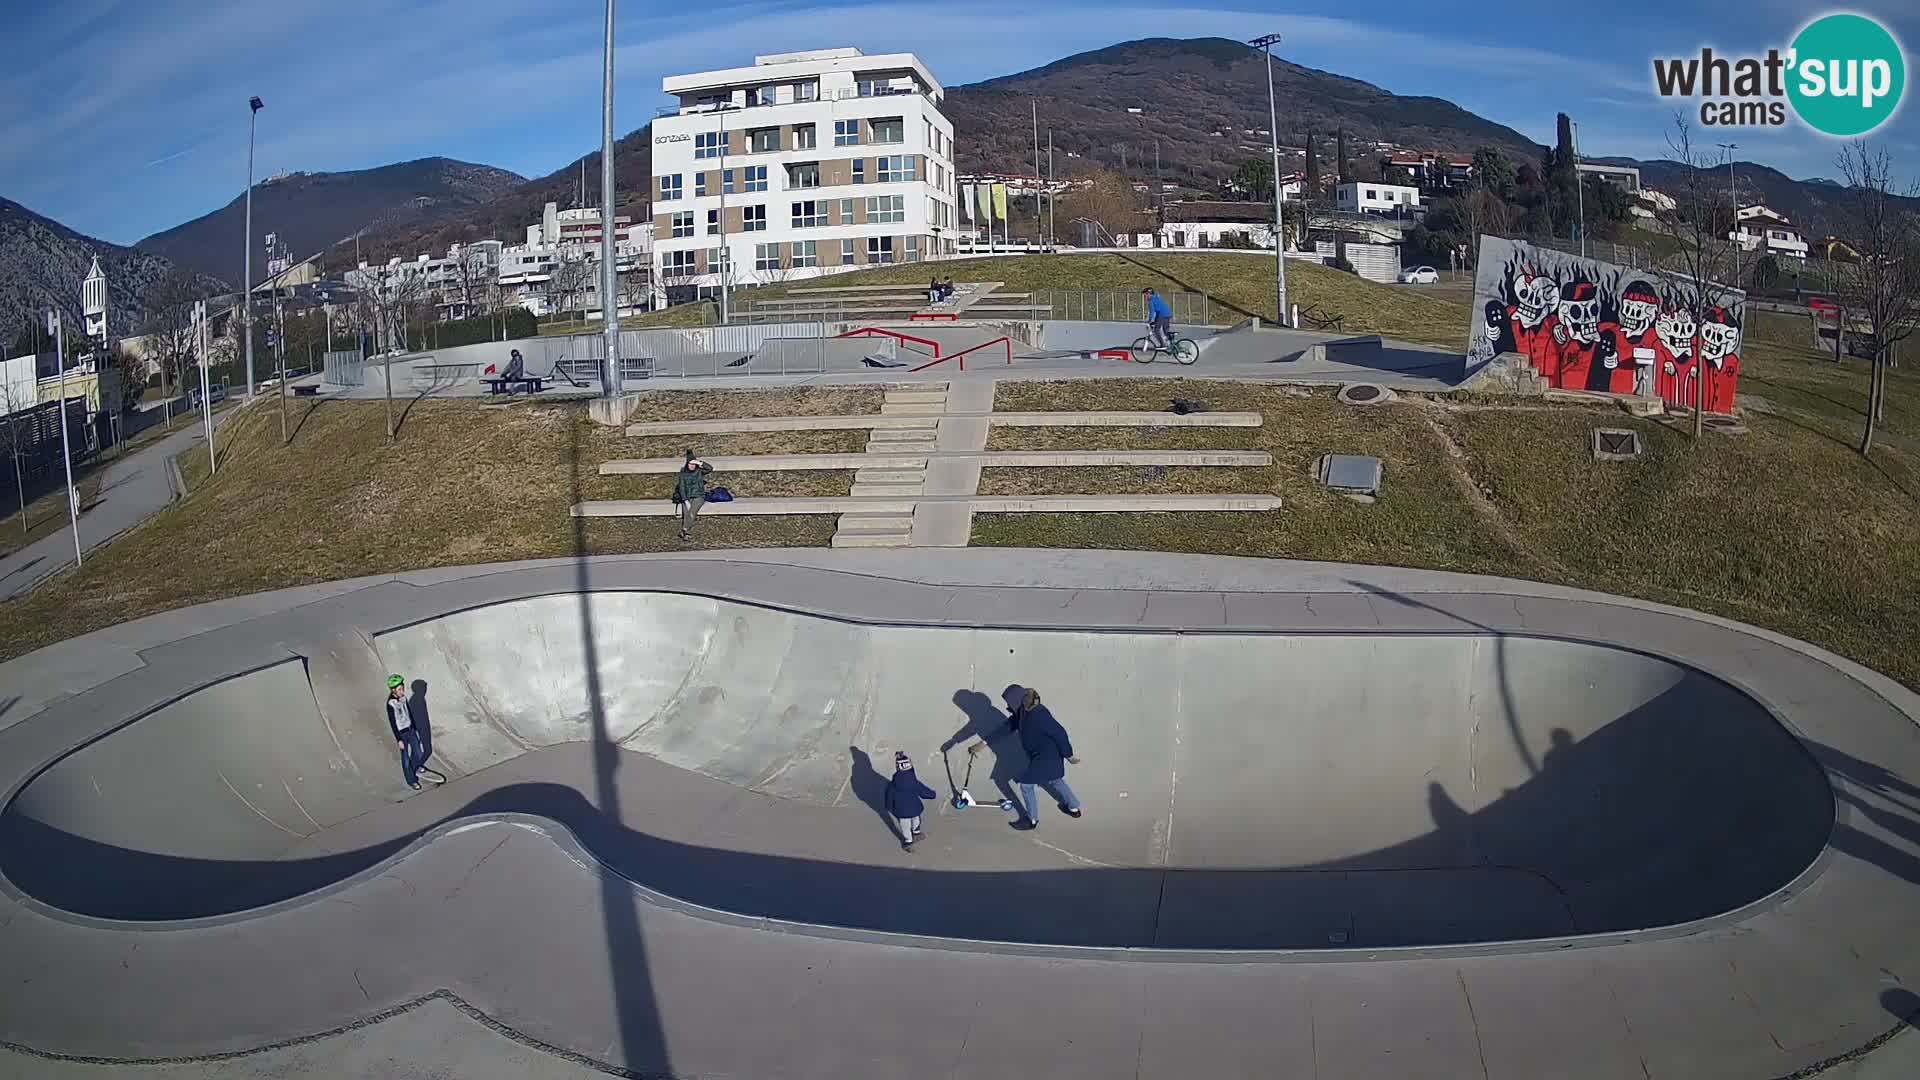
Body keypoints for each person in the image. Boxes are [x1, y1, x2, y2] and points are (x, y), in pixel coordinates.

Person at [971, 687, 1081, 831]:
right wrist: (983, 743)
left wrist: (1068, 755)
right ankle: (1074, 808)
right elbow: (1007, 727)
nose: (1007, 706)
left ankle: (1032, 820)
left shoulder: (1039, 714)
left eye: (1009, 702)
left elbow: (1060, 733)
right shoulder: (1022, 712)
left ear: (1016, 700)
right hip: (1043, 756)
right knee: (1056, 780)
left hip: (1046, 757)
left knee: (1026, 785)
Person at [885, 751, 937, 851]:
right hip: (914, 808)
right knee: (916, 820)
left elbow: (889, 797)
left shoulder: (892, 786)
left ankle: (908, 842)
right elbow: (924, 791)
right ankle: (916, 833)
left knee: (905, 826)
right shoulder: (914, 783)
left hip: (901, 811)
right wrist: (932, 794)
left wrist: (889, 806)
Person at [385, 674, 425, 791]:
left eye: (403, 688)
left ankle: (415, 767)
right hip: (402, 734)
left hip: (410, 730)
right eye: (399, 690)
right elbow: (392, 723)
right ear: (393, 690)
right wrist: (398, 740)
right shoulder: (390, 704)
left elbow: (409, 714)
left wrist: (415, 728)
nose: (402, 691)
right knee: (406, 759)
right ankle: (411, 780)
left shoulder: (403, 698)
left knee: (418, 752)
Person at [672, 449, 713, 542]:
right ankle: (685, 532)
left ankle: (685, 530)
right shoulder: (683, 474)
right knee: (686, 512)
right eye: (690, 464)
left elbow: (710, 468)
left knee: (692, 512)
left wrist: (699, 462)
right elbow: (682, 488)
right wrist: (685, 500)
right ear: (687, 464)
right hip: (687, 497)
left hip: (699, 496)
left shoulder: (699, 471)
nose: (692, 466)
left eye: (694, 464)